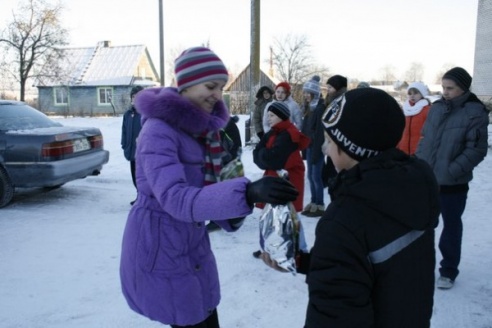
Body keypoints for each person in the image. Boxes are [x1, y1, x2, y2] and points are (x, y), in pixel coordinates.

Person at [119, 46, 299, 328]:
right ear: (186, 84)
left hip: (190, 236)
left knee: (202, 309)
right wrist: (247, 192)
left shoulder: (204, 131)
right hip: (161, 238)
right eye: (211, 85)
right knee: (188, 315)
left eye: (221, 86)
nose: (218, 94)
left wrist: (241, 192)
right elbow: (175, 199)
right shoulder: (158, 131)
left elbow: (214, 182)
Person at [261, 88, 440, 327]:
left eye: (329, 141)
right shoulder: (410, 190)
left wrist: (328, 256)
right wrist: (307, 262)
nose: (325, 149)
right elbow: (369, 264)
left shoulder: (345, 220)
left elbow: (333, 315)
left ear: (349, 149)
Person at [416, 67, 489, 290]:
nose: (445, 92)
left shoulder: (475, 112)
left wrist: (453, 170)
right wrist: (419, 162)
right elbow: (425, 138)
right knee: (422, 224)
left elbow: (476, 150)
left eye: (450, 88)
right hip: (428, 179)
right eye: (443, 87)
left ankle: (448, 270)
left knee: (451, 227)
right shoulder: (436, 108)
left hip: (453, 184)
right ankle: (418, 266)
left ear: (463, 88)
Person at [252, 101, 310, 257]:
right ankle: (268, 249)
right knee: (269, 216)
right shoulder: (273, 132)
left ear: (281, 116)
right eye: (267, 115)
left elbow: (273, 159)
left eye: (271, 115)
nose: (268, 119)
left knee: (289, 216)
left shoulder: (289, 134)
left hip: (288, 181)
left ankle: (300, 249)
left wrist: (262, 155)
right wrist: (263, 155)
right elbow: (256, 155)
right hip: (274, 178)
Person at [300, 75, 326, 217]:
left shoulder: (320, 108)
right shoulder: (309, 108)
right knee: (310, 175)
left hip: (317, 147)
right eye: (305, 93)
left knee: (316, 176)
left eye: (307, 93)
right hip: (310, 146)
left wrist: (316, 150)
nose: (305, 95)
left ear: (314, 94)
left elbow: (320, 132)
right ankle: (313, 201)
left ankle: (320, 204)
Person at [321, 75, 348, 187]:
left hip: (339, 142)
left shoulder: (343, 101)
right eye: (328, 87)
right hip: (330, 140)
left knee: (336, 173)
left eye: (331, 87)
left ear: (338, 88)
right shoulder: (329, 101)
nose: (328, 90)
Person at [121, 85, 144, 205]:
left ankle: (144, 198)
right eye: (133, 96)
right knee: (135, 177)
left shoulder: (146, 114)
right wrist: (124, 145)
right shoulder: (128, 114)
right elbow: (124, 131)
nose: (135, 99)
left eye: (138, 96)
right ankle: (139, 196)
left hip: (143, 153)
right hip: (131, 152)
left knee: (143, 178)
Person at [397, 82, 431, 155]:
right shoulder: (404, 109)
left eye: (415, 93)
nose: (412, 96)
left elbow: (430, 132)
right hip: (403, 149)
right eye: (410, 93)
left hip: (419, 150)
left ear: (422, 94)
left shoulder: (428, 110)